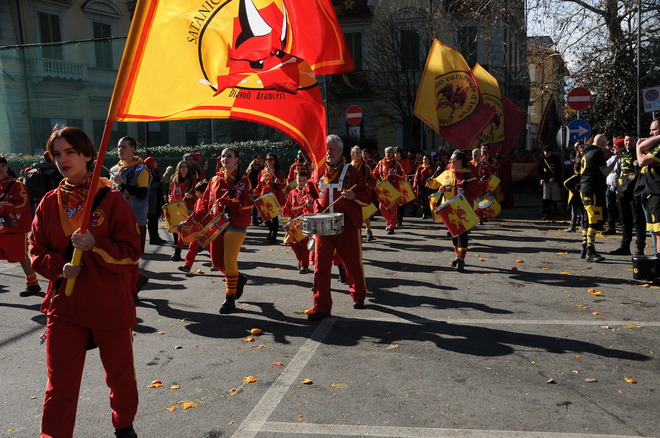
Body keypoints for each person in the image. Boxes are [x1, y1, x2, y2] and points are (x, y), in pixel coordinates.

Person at [30, 126, 141, 438]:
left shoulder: (111, 200)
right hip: (64, 308)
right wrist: (59, 268)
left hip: (109, 305)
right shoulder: (48, 203)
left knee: (120, 379)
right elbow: (36, 250)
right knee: (60, 386)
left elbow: (132, 253)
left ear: (88, 155)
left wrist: (97, 246)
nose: (63, 159)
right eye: (57, 154)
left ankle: (124, 427)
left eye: (70, 152)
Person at [305, 134, 370, 320]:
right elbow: (310, 191)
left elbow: (367, 197)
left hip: (347, 226)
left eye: (332, 149)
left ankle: (358, 296)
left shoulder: (352, 171)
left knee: (353, 264)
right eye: (326, 149)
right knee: (321, 268)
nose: (328, 153)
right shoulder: (318, 171)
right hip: (323, 226)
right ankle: (321, 306)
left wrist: (354, 196)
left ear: (341, 151)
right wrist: (309, 200)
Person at [190, 148, 252, 314]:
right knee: (217, 262)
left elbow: (249, 202)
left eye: (229, 156)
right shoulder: (214, 179)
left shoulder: (243, 180)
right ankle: (238, 278)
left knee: (229, 260)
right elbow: (205, 203)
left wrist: (231, 202)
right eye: (223, 156)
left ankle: (229, 299)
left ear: (237, 160)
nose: (225, 159)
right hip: (216, 224)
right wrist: (196, 216)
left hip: (236, 223)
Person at [427, 150, 481, 272]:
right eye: (450, 159)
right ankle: (458, 255)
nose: (450, 161)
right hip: (449, 208)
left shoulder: (468, 174)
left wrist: (468, 186)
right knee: (454, 233)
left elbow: (478, 190)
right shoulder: (447, 173)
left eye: (453, 160)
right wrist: (430, 181)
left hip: (464, 208)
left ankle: (461, 259)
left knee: (462, 233)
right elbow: (435, 183)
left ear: (460, 162)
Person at [109, 136, 150, 291]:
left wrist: (123, 184)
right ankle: (134, 282)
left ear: (132, 149)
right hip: (116, 219)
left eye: (124, 147)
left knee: (134, 254)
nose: (120, 150)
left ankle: (133, 285)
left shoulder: (141, 169)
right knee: (119, 254)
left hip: (135, 219)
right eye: (119, 146)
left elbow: (142, 194)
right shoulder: (114, 169)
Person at [0, 156, 42, 297]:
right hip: (1, 227)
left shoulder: (17, 185)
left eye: (3, 166)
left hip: (14, 228)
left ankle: (33, 284)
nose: (0, 169)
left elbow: (23, 204)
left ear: (7, 167)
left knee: (21, 256)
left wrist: (4, 205)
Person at [579, 134, 619, 262]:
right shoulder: (597, 153)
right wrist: (616, 159)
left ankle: (584, 248)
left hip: (584, 189)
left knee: (587, 219)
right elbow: (605, 172)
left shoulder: (587, 152)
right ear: (602, 143)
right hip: (593, 190)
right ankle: (590, 251)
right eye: (605, 144)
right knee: (594, 221)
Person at [611, 134, 645, 255]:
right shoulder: (622, 155)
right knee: (625, 221)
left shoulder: (639, 154)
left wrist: (625, 182)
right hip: (622, 193)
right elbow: (618, 172)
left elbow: (635, 174)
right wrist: (616, 186)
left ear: (635, 141)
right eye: (626, 140)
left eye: (631, 140)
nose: (628, 143)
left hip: (635, 193)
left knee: (638, 221)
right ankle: (625, 246)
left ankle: (640, 248)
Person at [281, 170, 316, 274]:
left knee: (305, 244)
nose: (301, 183)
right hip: (294, 221)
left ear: (307, 181)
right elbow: (287, 206)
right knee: (293, 242)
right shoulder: (292, 193)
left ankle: (304, 265)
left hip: (304, 220)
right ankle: (301, 261)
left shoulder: (310, 193)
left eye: (304, 181)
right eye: (299, 181)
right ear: (296, 181)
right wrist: (283, 211)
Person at [635, 119, 660, 256]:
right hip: (650, 193)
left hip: (657, 193)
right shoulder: (655, 144)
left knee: (659, 231)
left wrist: (638, 148)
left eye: (654, 129)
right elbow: (643, 146)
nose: (651, 133)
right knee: (654, 230)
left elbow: (642, 161)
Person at [168, 160, 198, 261]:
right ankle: (195, 247)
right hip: (176, 208)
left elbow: (199, 197)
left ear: (188, 169)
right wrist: (170, 202)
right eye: (181, 167)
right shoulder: (174, 180)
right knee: (179, 231)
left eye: (185, 166)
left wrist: (191, 196)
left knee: (183, 231)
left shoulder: (192, 181)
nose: (183, 168)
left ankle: (178, 253)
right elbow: (171, 193)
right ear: (178, 168)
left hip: (188, 209)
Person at [255, 152, 286, 243]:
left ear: (274, 161)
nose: (268, 161)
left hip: (273, 197)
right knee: (264, 217)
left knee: (274, 217)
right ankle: (272, 230)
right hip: (263, 197)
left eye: (271, 159)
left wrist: (278, 183)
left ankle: (273, 236)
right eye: (267, 159)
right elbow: (260, 185)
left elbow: (283, 185)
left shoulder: (278, 172)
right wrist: (253, 193)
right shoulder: (262, 172)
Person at [177, 181, 207, 273]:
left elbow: (202, 212)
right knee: (192, 247)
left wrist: (194, 217)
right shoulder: (198, 200)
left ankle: (217, 264)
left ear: (203, 193)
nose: (196, 194)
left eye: (197, 192)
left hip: (205, 227)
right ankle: (187, 265)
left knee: (211, 248)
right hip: (198, 227)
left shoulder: (206, 201)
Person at [373, 146, 405, 235]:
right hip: (384, 187)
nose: (388, 154)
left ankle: (392, 226)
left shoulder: (396, 164)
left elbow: (403, 176)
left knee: (393, 208)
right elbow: (375, 173)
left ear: (392, 153)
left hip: (393, 188)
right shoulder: (381, 163)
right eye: (386, 152)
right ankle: (389, 221)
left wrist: (393, 175)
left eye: (389, 152)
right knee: (382, 207)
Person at [350, 145, 375, 241]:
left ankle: (369, 230)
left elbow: (373, 179)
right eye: (356, 153)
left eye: (359, 153)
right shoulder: (349, 166)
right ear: (352, 154)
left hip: (364, 192)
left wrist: (367, 184)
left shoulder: (366, 166)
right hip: (353, 193)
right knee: (355, 215)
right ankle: (358, 234)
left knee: (366, 214)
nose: (358, 154)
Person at [144, 157, 166, 245]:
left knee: (155, 218)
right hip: (152, 199)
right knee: (152, 219)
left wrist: (161, 182)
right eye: (155, 162)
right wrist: (160, 181)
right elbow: (151, 186)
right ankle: (153, 238)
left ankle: (156, 236)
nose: (156, 164)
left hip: (156, 198)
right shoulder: (148, 172)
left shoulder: (154, 172)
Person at [538, 145, 562, 220]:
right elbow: (539, 171)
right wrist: (541, 179)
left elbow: (559, 170)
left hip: (554, 181)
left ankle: (554, 212)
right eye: (545, 152)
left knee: (555, 198)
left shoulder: (556, 159)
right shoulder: (542, 159)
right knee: (546, 198)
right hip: (546, 182)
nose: (547, 154)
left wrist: (554, 178)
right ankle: (546, 213)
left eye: (548, 152)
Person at [413, 154, 434, 219]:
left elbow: (434, 177)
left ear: (429, 160)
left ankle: (429, 212)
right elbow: (417, 177)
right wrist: (415, 185)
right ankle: (424, 213)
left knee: (428, 198)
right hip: (422, 185)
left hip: (429, 186)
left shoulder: (431, 168)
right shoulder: (420, 168)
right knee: (423, 199)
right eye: (423, 159)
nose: (424, 160)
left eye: (426, 159)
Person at [395, 147, 412, 226]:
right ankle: (395, 218)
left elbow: (409, 170)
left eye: (397, 152)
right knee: (395, 202)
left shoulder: (405, 161)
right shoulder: (392, 161)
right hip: (394, 183)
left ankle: (400, 218)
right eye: (395, 153)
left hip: (402, 183)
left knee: (402, 202)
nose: (396, 154)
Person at [246, 157, 263, 226]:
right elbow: (250, 183)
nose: (256, 166)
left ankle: (259, 218)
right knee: (255, 206)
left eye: (257, 164)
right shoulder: (250, 173)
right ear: (252, 165)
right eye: (255, 164)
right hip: (253, 190)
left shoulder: (260, 172)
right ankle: (254, 220)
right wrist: (252, 191)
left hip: (259, 190)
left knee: (259, 205)